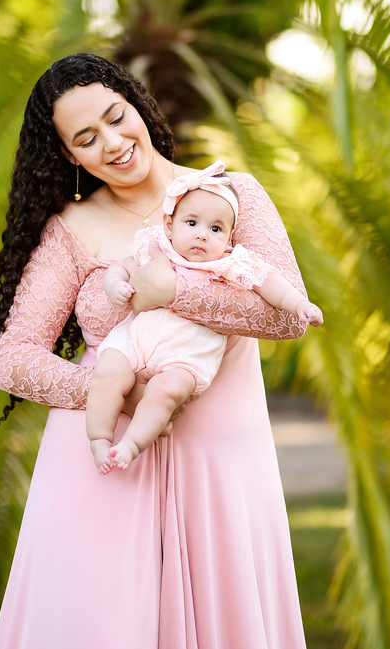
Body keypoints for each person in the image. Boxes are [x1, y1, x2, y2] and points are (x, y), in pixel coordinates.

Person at [0, 53, 311, 649]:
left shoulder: (232, 198)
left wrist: (173, 292)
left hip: (220, 471)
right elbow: (14, 360)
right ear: (70, 158)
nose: (112, 142)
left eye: (115, 117)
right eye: (86, 138)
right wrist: (111, 391)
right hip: (103, 474)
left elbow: (287, 315)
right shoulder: (70, 231)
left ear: (138, 105)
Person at [87, 161, 323, 474]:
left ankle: (131, 445)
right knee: (108, 371)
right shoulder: (157, 247)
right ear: (170, 226)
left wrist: (299, 305)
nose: (202, 235)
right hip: (135, 340)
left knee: (165, 393)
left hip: (188, 357)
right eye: (192, 223)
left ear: (228, 239)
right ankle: (100, 438)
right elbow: (121, 267)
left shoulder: (231, 264)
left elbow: (271, 283)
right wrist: (115, 284)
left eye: (215, 229)